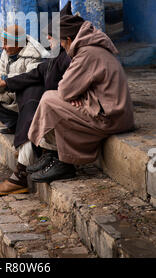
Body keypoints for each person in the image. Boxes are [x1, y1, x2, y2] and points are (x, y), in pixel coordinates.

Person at [27, 14, 135, 183]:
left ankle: (64, 162)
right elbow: (72, 90)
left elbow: (64, 89)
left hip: (110, 118)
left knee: (49, 100)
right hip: (111, 112)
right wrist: (77, 95)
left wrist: (74, 95)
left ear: (69, 39)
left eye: (62, 42)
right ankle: (53, 154)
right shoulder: (90, 48)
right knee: (52, 99)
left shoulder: (87, 53)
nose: (61, 46)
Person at [0, 2, 72, 196]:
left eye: (52, 36)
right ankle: (39, 154)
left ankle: (20, 173)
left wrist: (8, 83)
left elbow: (72, 86)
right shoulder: (58, 55)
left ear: (64, 37)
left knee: (35, 97)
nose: (47, 38)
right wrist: (5, 83)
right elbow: (37, 74)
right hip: (56, 103)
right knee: (30, 89)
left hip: (83, 109)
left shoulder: (70, 56)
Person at [0, 24, 49, 135]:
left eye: (6, 43)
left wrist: (5, 80)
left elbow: (29, 78)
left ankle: (27, 124)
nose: (3, 47)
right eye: (3, 43)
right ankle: (13, 123)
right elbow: (0, 72)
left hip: (23, 96)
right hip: (8, 92)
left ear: (18, 44)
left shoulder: (34, 55)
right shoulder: (6, 52)